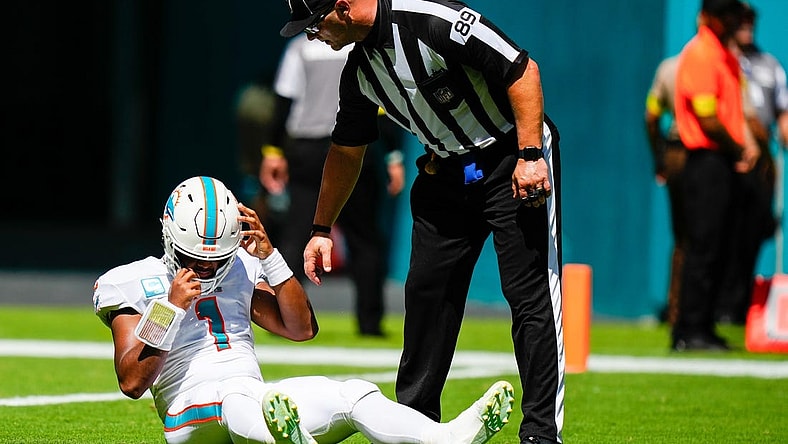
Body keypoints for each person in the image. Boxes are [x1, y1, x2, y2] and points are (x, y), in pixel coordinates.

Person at [279, 1, 564, 443]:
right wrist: (320, 229)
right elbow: (346, 149)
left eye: (314, 25)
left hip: (510, 156)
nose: (312, 37)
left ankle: (541, 434)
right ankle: (416, 427)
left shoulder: (431, 19)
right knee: (426, 298)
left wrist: (529, 157)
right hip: (447, 172)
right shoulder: (359, 72)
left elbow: (522, 70)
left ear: (342, 8)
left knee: (528, 295)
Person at [92, 175, 515, 444]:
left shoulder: (239, 265)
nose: (206, 268)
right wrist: (169, 308)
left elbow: (301, 328)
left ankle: (444, 439)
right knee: (237, 397)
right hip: (190, 415)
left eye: (216, 260)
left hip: (257, 403)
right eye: (194, 259)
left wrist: (271, 257)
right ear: (170, 242)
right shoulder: (134, 280)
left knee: (354, 393)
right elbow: (131, 381)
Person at [259, 33, 406, 337]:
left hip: (309, 148)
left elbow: (284, 101)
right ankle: (370, 324)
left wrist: (273, 151)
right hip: (358, 147)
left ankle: (280, 317)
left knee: (297, 233)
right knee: (365, 237)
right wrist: (392, 155)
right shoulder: (362, 43)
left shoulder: (300, 47)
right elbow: (382, 103)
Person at [671, 0, 760, 351]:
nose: (730, 22)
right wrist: (738, 147)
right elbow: (706, 115)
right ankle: (688, 329)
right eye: (724, 15)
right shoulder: (701, 53)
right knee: (703, 246)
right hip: (706, 160)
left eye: (733, 16)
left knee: (721, 246)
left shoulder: (724, 54)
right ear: (708, 16)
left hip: (723, 161)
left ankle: (704, 326)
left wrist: (743, 147)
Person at [716, 2, 788, 324]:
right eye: (740, 20)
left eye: (750, 21)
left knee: (755, 230)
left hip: (762, 157)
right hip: (729, 155)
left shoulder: (769, 65)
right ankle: (716, 306)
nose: (746, 26)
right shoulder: (722, 59)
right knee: (720, 233)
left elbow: (782, 111)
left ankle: (740, 306)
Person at [644, 54, 687, 325]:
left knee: (684, 238)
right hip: (708, 156)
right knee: (702, 239)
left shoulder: (670, 67)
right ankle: (697, 312)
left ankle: (677, 309)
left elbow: (651, 116)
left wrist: (659, 156)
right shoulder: (726, 64)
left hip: (675, 151)